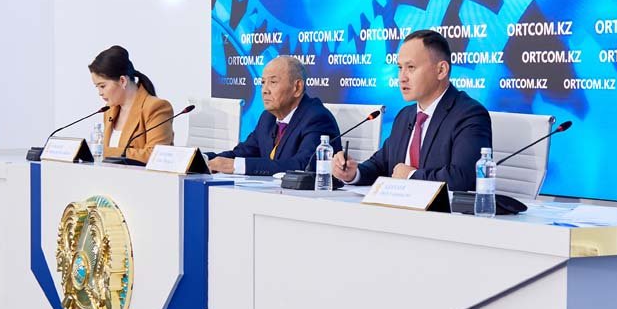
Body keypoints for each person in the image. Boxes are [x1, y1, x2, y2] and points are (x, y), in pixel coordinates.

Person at [333, 29, 491, 192]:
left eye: (411, 67)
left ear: (441, 70)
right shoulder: (405, 116)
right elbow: (380, 165)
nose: (402, 77)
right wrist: (353, 173)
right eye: (400, 68)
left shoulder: (469, 115)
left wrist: (411, 176)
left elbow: (463, 178)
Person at [207, 56, 342, 175]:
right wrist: (203, 159)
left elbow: (303, 165)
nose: (265, 90)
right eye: (263, 83)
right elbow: (242, 153)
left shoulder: (317, 118)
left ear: (297, 87)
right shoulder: (267, 118)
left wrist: (237, 166)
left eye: (273, 82)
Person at [89, 45, 174, 164]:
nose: (100, 93)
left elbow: (156, 155)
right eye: (97, 87)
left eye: (102, 86)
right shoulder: (109, 110)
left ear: (122, 81)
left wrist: (105, 152)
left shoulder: (156, 107)